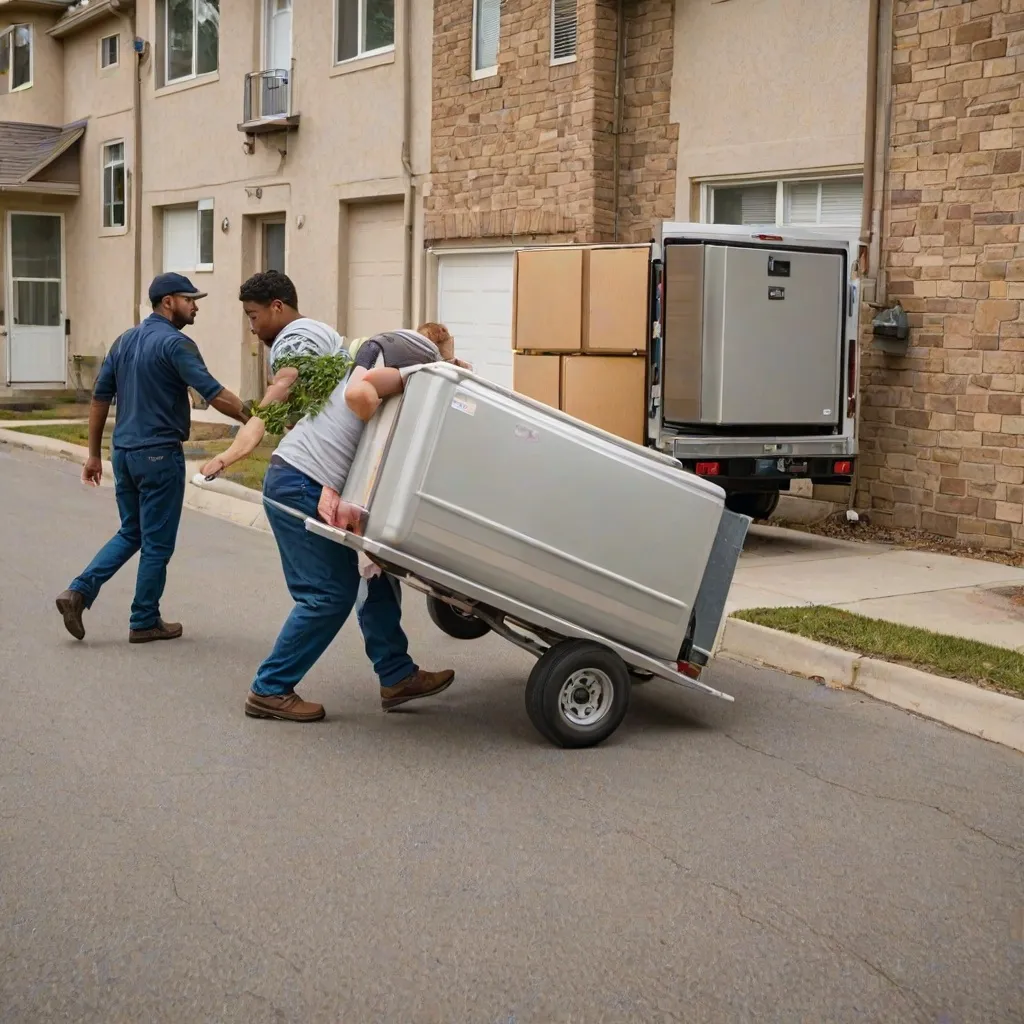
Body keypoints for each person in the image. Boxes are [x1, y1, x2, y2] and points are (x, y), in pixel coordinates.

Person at [234, 270, 457, 723]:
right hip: (301, 481)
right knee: (327, 596)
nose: (252, 327)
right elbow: (310, 387)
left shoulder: (357, 360)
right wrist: (245, 441)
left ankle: (396, 675)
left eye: (253, 317)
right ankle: (270, 688)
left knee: (374, 573)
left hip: (303, 476)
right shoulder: (378, 366)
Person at [55, 273, 250, 643]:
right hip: (159, 455)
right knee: (157, 543)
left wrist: (94, 454)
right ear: (167, 302)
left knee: (132, 532)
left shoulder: (124, 341)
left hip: (124, 454)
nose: (195, 305)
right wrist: (254, 418)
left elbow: (100, 398)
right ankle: (144, 619)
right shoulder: (177, 345)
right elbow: (213, 393)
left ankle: (78, 593)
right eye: (189, 299)